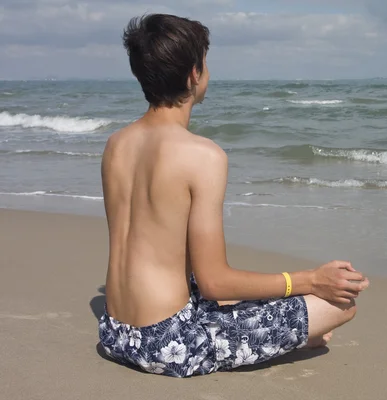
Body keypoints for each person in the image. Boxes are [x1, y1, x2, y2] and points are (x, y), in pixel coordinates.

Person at [98, 13, 370, 378]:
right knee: (338, 306)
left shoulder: (116, 145)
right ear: (194, 74)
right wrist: (310, 280)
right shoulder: (203, 155)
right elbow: (214, 283)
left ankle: (284, 328)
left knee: (230, 296)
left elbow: (169, 256)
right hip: (169, 344)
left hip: (116, 332)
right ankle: (292, 334)